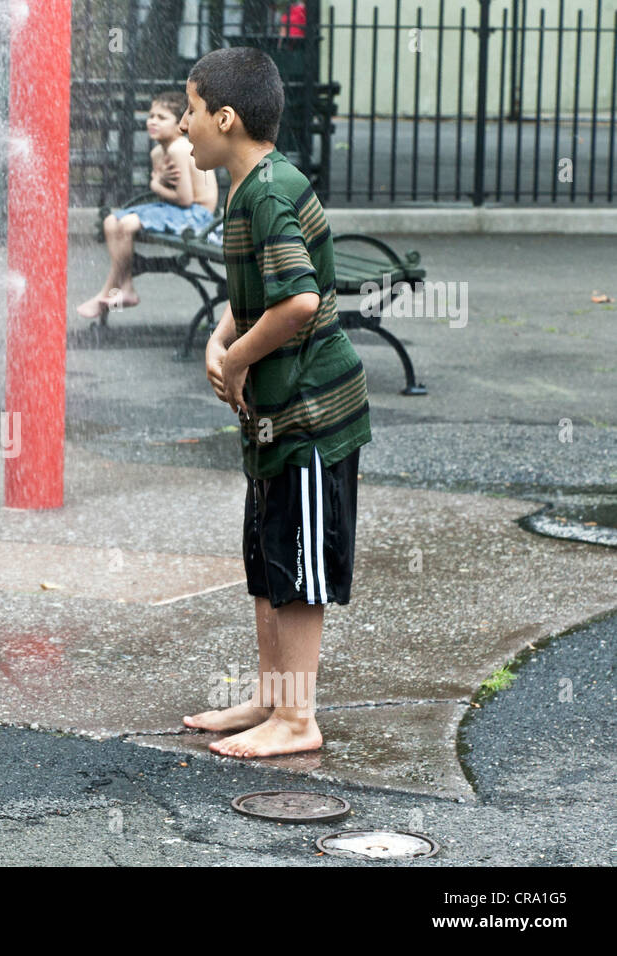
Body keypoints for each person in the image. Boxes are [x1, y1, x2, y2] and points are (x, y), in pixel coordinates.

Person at [179, 47, 370, 758]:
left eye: (191, 112)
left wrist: (234, 357)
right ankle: (271, 694)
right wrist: (221, 335)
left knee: (299, 568)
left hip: (311, 416)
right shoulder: (252, 186)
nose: (183, 129)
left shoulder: (263, 192)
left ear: (225, 118)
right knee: (270, 558)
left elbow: (299, 299)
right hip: (274, 418)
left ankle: (297, 718)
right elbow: (261, 292)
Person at [76, 90, 218, 320]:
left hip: (197, 215)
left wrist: (155, 184)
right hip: (177, 211)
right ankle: (127, 286)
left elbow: (185, 200)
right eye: (151, 115)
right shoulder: (156, 153)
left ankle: (109, 291)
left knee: (129, 223)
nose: (152, 121)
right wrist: (160, 186)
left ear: (179, 124)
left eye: (162, 118)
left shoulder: (178, 148)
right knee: (112, 221)